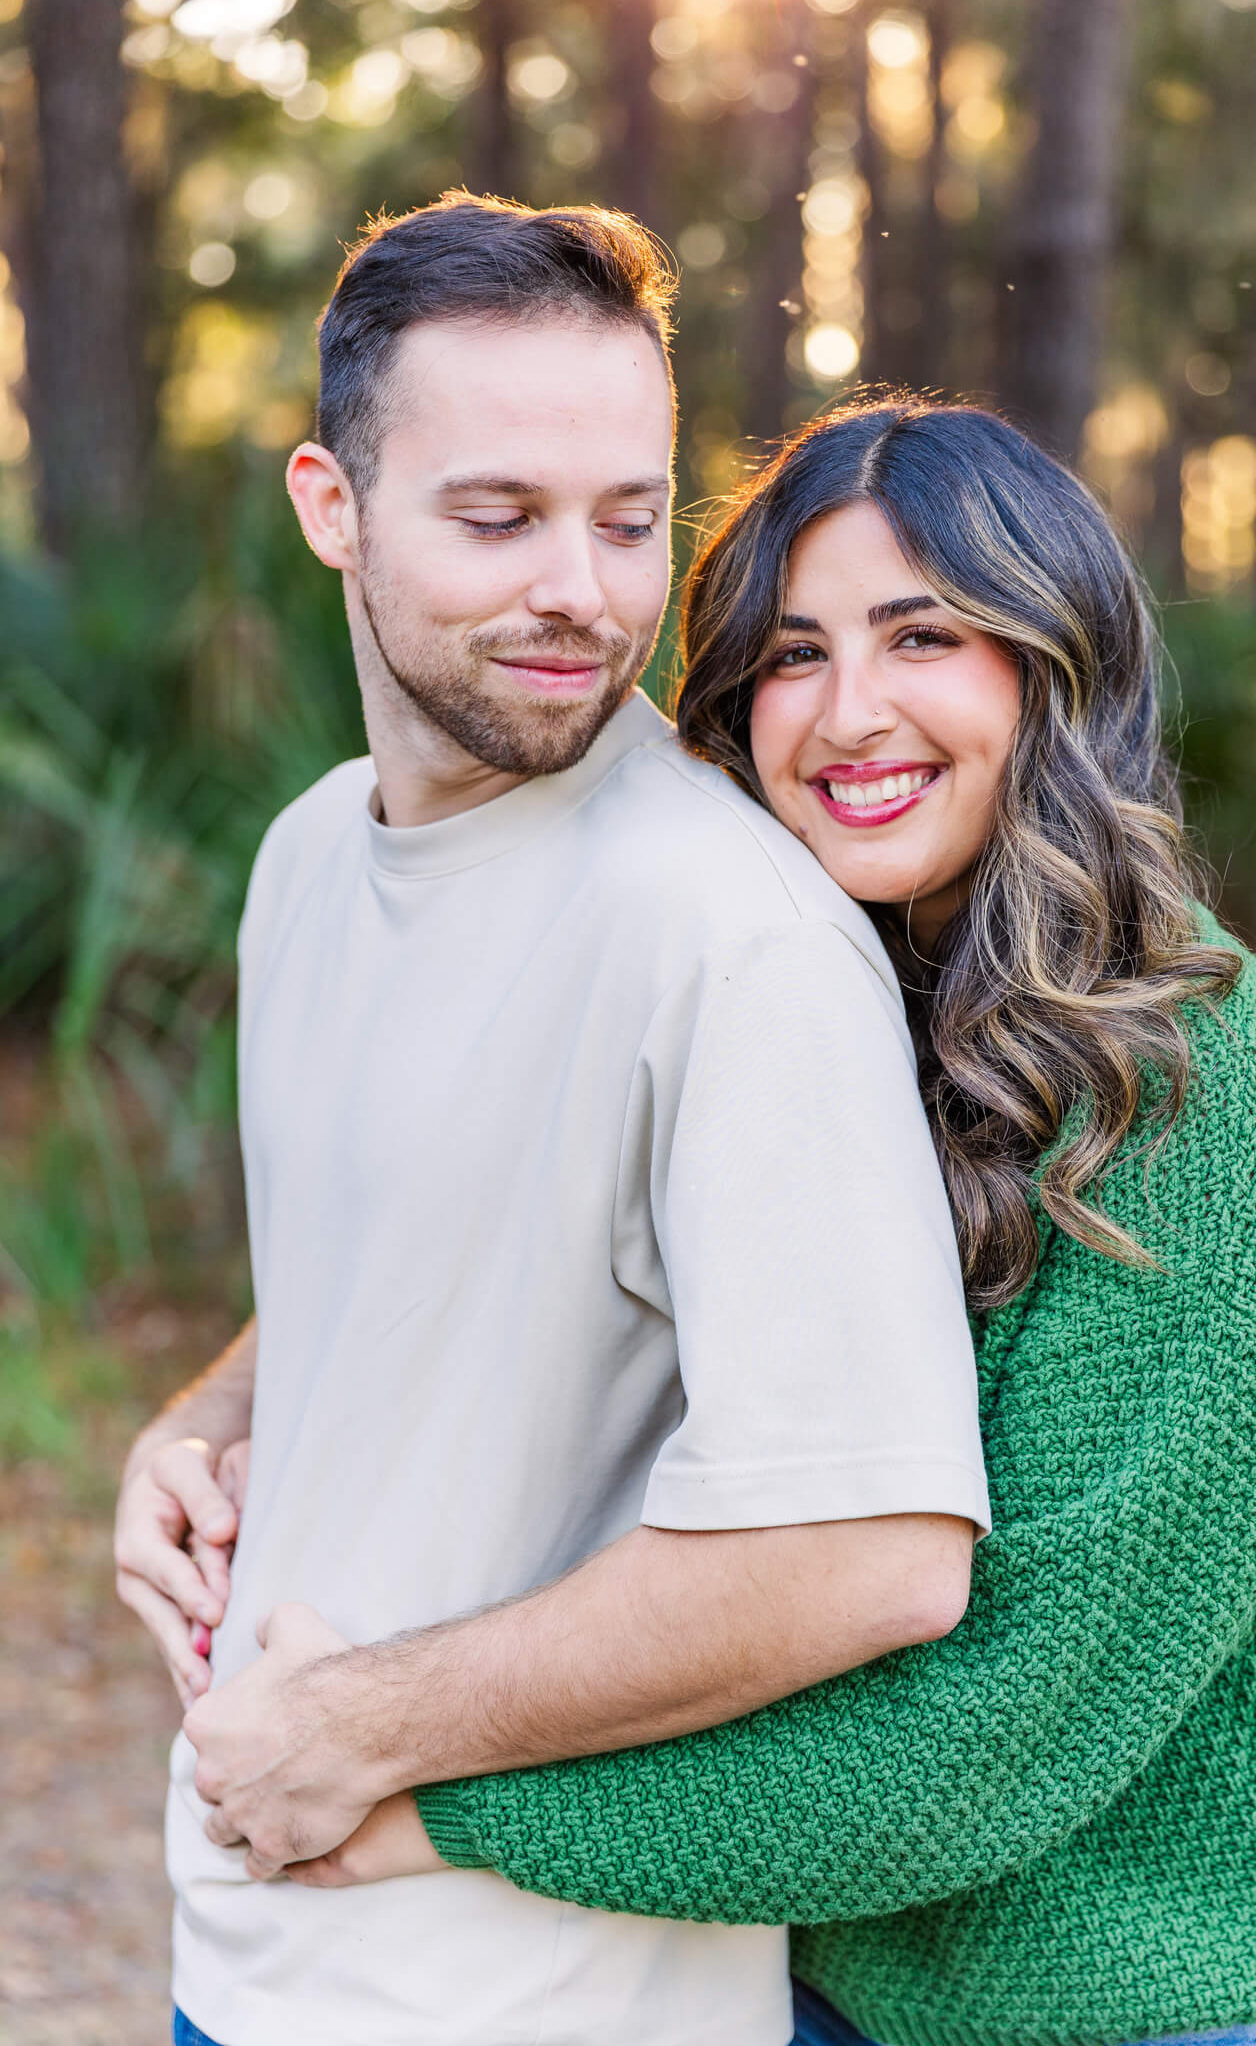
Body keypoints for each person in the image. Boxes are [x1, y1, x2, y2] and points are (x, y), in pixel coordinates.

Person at [257, 400, 1256, 2046]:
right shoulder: (794, 991)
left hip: (1151, 2007)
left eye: (923, 636)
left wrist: (419, 1801)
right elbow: (483, 1231)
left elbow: (981, 1742)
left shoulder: (1222, 1098)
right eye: (791, 654)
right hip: (804, 1985)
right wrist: (214, 1420)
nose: (850, 716)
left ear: (1054, 668)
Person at [113, 206, 991, 2046]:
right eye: (497, 518)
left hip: (548, 1997)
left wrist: (358, 1727)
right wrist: (207, 1423)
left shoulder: (727, 931)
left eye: (626, 517)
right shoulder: (305, 860)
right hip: (254, 1953)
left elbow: (868, 1546)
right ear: (330, 506)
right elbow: (428, 1248)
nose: (584, 594)